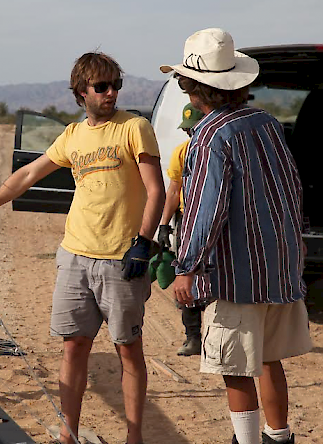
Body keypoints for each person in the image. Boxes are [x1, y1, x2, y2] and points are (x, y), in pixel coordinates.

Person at [0, 52, 165, 444]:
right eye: (102, 87)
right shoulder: (73, 135)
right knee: (74, 346)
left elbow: (156, 190)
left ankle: (135, 437)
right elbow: (30, 172)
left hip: (121, 258)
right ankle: (68, 434)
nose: (111, 92)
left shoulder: (135, 127)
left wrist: (143, 243)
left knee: (128, 348)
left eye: (116, 84)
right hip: (76, 256)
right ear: (81, 92)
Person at [161, 28, 312, 444]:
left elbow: (205, 210)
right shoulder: (266, 124)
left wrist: (186, 267)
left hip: (236, 274)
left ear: (194, 87)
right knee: (269, 359)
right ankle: (278, 437)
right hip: (278, 266)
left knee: (236, 366)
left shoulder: (209, 137)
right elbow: (291, 187)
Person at [156, 103, 205, 356]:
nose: (189, 133)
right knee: (186, 278)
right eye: (186, 129)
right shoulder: (182, 153)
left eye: (192, 128)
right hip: (187, 220)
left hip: (212, 221)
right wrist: (164, 225)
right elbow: (173, 191)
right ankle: (193, 337)